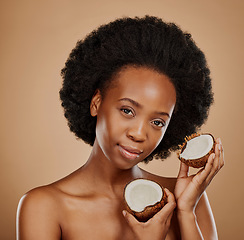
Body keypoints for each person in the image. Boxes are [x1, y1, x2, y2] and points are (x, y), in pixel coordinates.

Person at [16, 16, 224, 240]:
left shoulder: (187, 198)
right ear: (96, 103)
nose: (138, 134)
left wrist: (185, 213)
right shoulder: (44, 207)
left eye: (157, 122)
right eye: (127, 111)